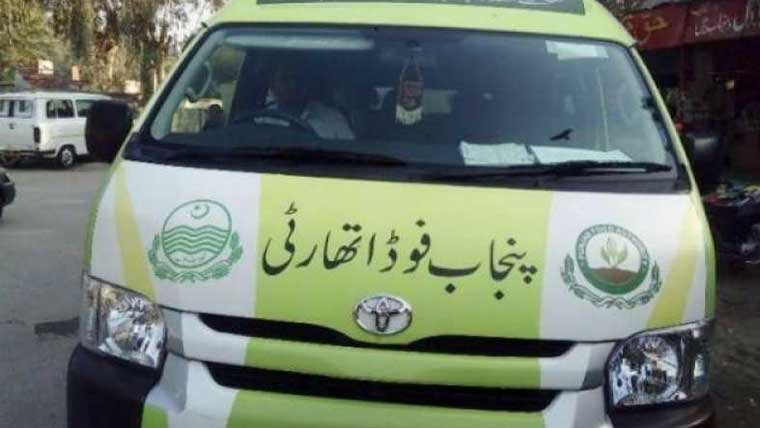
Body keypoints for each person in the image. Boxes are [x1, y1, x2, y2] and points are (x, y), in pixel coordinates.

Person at [268, 62, 355, 140]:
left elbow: (350, 149)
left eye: (296, 78)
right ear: (272, 85)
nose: (292, 85)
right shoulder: (264, 120)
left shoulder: (333, 119)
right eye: (284, 79)